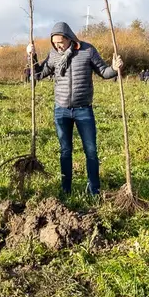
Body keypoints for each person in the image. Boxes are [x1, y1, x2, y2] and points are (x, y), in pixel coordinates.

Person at [27, 22, 122, 195]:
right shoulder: (54, 55)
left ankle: (94, 190)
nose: (57, 45)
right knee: (65, 151)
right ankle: (66, 190)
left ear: (69, 38)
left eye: (60, 42)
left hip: (83, 109)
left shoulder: (87, 50)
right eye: (54, 43)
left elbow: (104, 72)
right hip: (61, 110)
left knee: (91, 150)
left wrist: (114, 69)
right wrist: (31, 57)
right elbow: (38, 74)